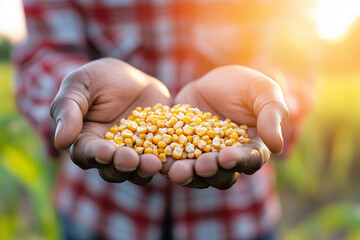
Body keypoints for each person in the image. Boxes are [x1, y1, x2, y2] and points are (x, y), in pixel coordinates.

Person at [14, 0, 308, 239]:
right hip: (101, 213)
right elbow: (44, 49)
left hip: (238, 218)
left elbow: (294, 50)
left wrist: (271, 90)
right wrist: (78, 96)